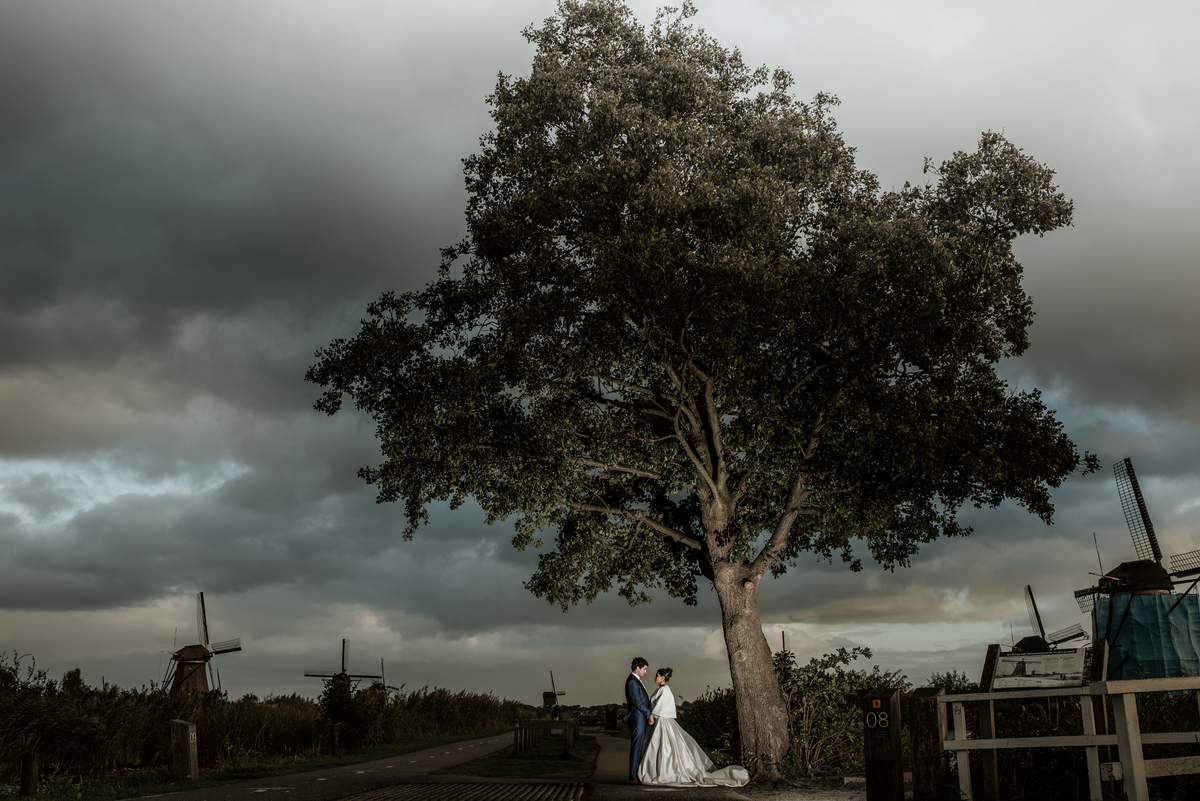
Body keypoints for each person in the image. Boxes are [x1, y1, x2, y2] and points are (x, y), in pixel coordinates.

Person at [638, 668, 750, 787]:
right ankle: (658, 770)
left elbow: (660, 705)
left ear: (663, 678)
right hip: (659, 721)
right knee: (659, 746)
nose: (654, 677)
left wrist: (652, 714)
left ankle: (666, 771)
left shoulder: (665, 690)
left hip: (663, 721)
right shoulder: (660, 689)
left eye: (657, 675)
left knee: (664, 746)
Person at [622, 657, 653, 784]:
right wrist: (648, 714)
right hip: (637, 718)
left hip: (640, 718)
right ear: (637, 668)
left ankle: (637, 774)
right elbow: (637, 702)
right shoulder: (633, 682)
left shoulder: (635, 681)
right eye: (644, 669)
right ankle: (633, 776)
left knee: (639, 747)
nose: (646, 672)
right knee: (636, 747)